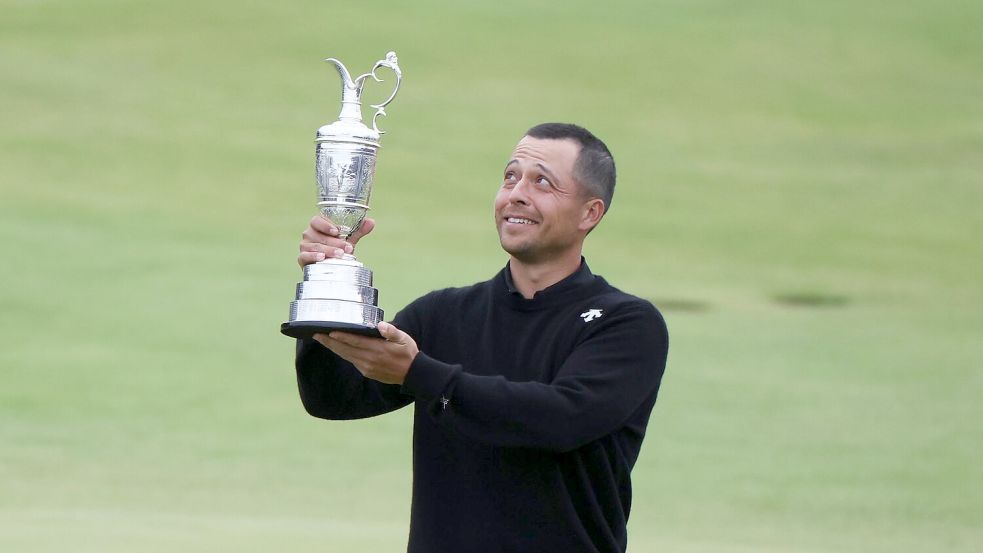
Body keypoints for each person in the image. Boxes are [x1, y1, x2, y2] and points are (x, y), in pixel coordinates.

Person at [294, 123, 669, 553]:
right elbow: (333, 399)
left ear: (590, 213)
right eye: (511, 176)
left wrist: (420, 374)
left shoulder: (626, 324)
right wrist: (325, 284)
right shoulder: (443, 315)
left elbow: (562, 419)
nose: (517, 193)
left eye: (542, 181)